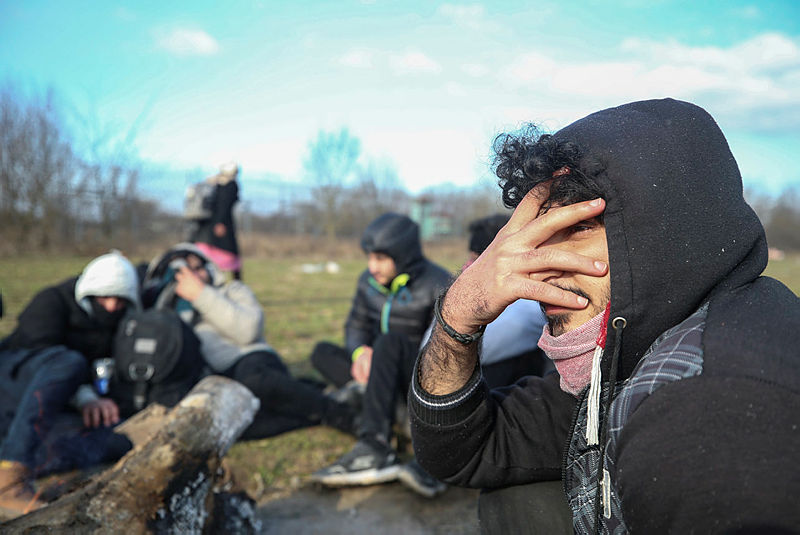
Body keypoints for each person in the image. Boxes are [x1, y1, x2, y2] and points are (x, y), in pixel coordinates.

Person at [408, 98, 800, 533]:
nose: (538, 263)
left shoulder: (705, 412)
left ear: (669, 230)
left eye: (578, 228)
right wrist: (458, 314)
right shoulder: (629, 353)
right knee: (518, 502)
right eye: (538, 233)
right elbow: (465, 452)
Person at [312, 214, 552, 498]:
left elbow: (460, 349)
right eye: (470, 258)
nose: (466, 267)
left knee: (500, 360)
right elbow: (365, 326)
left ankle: (417, 441)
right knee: (335, 352)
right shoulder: (373, 282)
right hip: (419, 379)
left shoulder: (530, 306)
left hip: (460, 399)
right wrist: (359, 352)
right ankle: (378, 432)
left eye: (476, 259)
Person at [141, 244, 358, 440]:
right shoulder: (165, 317)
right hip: (215, 379)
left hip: (252, 362)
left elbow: (247, 331)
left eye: (198, 268)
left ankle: (341, 415)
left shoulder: (231, 291)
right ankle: (317, 401)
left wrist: (201, 295)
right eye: (183, 273)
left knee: (253, 381)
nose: (194, 276)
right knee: (233, 426)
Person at [0, 252, 140, 516]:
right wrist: (84, 396)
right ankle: (9, 477)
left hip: (41, 413)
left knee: (113, 440)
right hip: (11, 384)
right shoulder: (50, 303)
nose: (111, 306)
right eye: (104, 297)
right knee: (70, 361)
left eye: (120, 300)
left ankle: (19, 457)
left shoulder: (118, 323)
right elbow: (40, 361)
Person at [310, 213, 451, 391]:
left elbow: (440, 350)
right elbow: (356, 326)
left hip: (412, 373)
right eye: (369, 257)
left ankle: (373, 400)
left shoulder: (439, 284)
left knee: (388, 347)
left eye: (380, 258)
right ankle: (367, 395)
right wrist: (360, 353)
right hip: (372, 366)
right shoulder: (367, 280)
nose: (372, 267)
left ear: (403, 256)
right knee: (322, 352)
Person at [190, 162, 242, 280]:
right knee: (231, 256)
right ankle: (238, 284)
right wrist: (220, 222)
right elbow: (224, 205)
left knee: (203, 255)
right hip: (220, 225)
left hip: (204, 225)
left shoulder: (211, 183)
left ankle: (200, 280)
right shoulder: (231, 185)